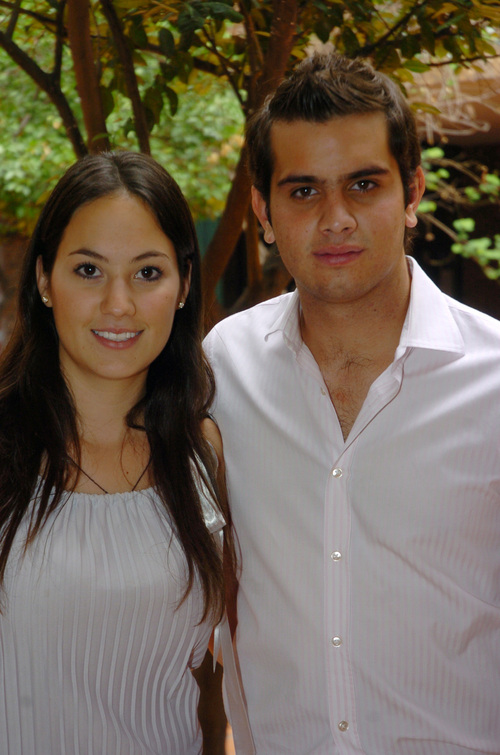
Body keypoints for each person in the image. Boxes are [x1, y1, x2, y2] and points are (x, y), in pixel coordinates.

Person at [204, 52, 500, 754]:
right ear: (263, 211)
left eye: (364, 185)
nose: (335, 219)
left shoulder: (493, 378)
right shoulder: (220, 369)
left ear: (412, 192)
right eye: (303, 191)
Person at [0, 151, 235, 755]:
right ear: (44, 279)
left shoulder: (203, 453)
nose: (119, 304)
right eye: (88, 270)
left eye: (148, 272)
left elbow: (213, 676)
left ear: (183, 286)